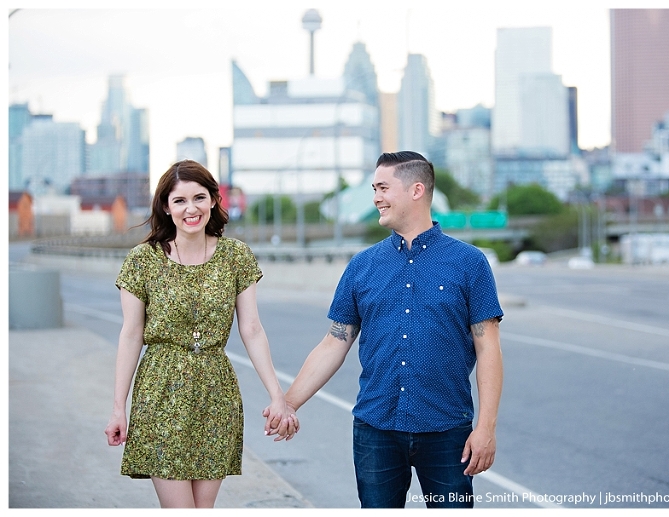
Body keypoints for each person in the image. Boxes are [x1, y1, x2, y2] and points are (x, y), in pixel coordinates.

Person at [265, 151, 504, 508]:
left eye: (383, 188)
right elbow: (334, 343)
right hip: (375, 430)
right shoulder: (363, 265)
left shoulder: (469, 263)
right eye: (374, 189)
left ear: (416, 190)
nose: (376, 197)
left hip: (447, 430)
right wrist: (289, 404)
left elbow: (489, 350)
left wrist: (486, 428)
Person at [105, 159, 294, 508]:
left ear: (213, 201)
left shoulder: (235, 256)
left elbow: (252, 329)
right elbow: (131, 334)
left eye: (199, 198)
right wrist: (119, 408)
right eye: (179, 200)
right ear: (166, 206)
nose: (191, 209)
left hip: (215, 394)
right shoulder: (142, 260)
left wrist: (277, 395)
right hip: (160, 392)